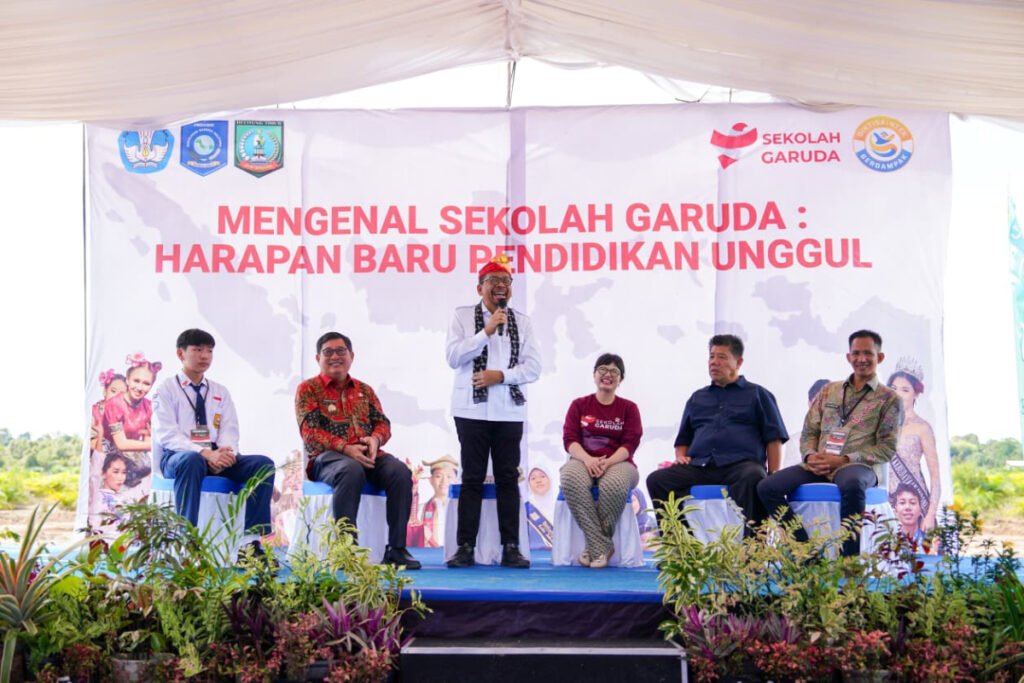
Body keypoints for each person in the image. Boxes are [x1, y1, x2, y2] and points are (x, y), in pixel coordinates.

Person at [758, 330, 903, 557]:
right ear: (848, 357)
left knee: (853, 485)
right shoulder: (829, 391)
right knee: (767, 487)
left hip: (858, 466)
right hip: (819, 464)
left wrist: (844, 459)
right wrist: (810, 456)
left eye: (868, 353)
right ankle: (806, 554)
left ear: (880, 357)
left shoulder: (890, 398)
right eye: (856, 353)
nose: (861, 359)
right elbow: (809, 432)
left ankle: (849, 564)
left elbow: (887, 448)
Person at [444, 255, 541, 568]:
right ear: (479, 287)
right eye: (493, 280)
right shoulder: (462, 316)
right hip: (471, 410)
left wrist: (501, 376)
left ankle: (511, 547)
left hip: (508, 412)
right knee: (472, 477)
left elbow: (533, 367)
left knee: (507, 479)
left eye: (506, 281)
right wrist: (485, 332)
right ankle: (465, 547)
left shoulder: (522, 322)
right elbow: (453, 357)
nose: (501, 286)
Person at [294, 331, 420, 570]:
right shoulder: (308, 389)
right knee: (350, 470)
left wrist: (375, 439)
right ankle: (346, 549)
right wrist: (346, 448)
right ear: (318, 358)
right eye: (328, 352)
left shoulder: (365, 390)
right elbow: (310, 432)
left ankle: (396, 549)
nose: (335, 357)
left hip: (369, 454)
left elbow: (383, 423)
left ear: (351, 356)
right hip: (328, 459)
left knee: (400, 472)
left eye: (341, 351)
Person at [646, 334, 787, 533]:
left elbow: (774, 438)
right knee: (657, 480)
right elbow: (683, 438)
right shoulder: (697, 398)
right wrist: (680, 457)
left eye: (721, 357)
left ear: (738, 362)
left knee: (754, 476)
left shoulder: (758, 394)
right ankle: (681, 544)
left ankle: (753, 547)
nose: (714, 362)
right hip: (701, 466)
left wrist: (773, 474)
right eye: (711, 356)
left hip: (741, 466)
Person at [153, 329, 275, 555]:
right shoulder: (166, 389)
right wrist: (204, 453)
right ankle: (188, 540)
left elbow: (230, 429)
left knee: (263, 464)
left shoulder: (220, 391)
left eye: (209, 351)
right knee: (191, 460)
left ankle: (250, 543)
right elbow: (167, 434)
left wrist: (226, 454)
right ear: (181, 353)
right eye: (198, 350)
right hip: (177, 457)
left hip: (215, 455)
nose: (205, 356)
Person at [560, 353, 643, 568]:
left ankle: (595, 547)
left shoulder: (629, 408)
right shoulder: (579, 405)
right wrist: (588, 460)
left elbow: (631, 443)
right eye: (603, 369)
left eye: (614, 371)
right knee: (569, 477)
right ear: (594, 374)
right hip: (583, 460)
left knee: (613, 484)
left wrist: (608, 462)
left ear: (620, 379)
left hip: (620, 463)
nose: (608, 375)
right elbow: (570, 440)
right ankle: (602, 545)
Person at [887, 358, 940, 531]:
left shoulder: (922, 428)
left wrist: (930, 514)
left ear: (916, 394)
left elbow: (935, 476)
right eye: (894, 388)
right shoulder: (880, 425)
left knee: (918, 547)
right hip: (887, 505)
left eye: (905, 390)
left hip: (916, 502)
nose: (898, 394)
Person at [102, 355, 161, 489]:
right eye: (136, 381)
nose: (139, 387)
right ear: (127, 380)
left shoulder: (149, 406)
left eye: (146, 383)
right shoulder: (114, 404)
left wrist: (150, 444)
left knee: (148, 467)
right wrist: (152, 445)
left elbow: (148, 439)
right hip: (109, 452)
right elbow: (121, 444)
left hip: (134, 455)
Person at [420, 455, 459, 548]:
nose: (444, 481)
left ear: (456, 480)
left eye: (449, 477)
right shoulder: (419, 510)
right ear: (430, 480)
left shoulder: (463, 510)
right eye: (438, 476)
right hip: (428, 556)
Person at [88, 452, 129, 532]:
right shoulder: (95, 495)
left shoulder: (126, 499)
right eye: (116, 472)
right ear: (103, 473)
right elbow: (96, 464)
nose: (121, 478)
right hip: (100, 538)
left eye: (124, 472)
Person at [90, 370, 126, 452]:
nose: (116, 396)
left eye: (122, 394)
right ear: (105, 391)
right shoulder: (94, 411)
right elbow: (91, 444)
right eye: (113, 391)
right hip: (98, 450)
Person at [525, 466, 556, 549]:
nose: (538, 481)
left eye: (542, 476)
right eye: (533, 478)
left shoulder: (561, 505)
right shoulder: (525, 509)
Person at [893, 482, 926, 546]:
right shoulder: (890, 542)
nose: (907, 507)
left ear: (920, 509)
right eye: (902, 503)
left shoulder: (931, 542)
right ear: (895, 510)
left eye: (912, 503)